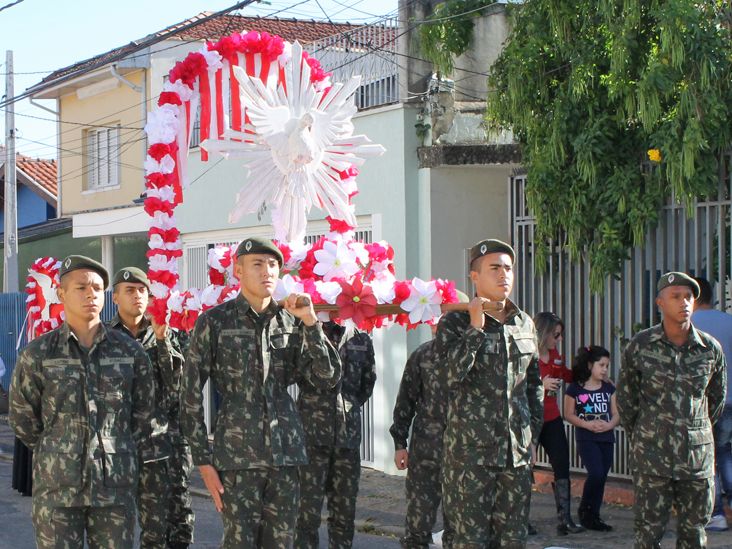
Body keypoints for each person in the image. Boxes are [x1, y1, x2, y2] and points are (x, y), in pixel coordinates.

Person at [180, 237, 342, 548]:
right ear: (237, 270)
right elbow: (189, 396)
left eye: (273, 265)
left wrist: (310, 323)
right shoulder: (214, 322)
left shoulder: (290, 321)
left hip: (286, 456)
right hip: (237, 458)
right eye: (257, 264)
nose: (267, 271)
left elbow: (326, 378)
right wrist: (203, 461)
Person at [9, 255, 155, 548]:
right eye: (81, 288)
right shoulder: (39, 353)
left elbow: (143, 414)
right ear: (61, 294)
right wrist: (59, 448)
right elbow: (22, 418)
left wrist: (119, 451)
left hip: (115, 489)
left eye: (98, 288)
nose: (91, 294)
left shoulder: (129, 351)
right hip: (58, 491)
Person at [436, 239, 543, 548]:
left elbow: (533, 385)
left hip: (515, 457)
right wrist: (475, 329)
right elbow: (447, 378)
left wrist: (530, 435)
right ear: (474, 277)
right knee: (470, 540)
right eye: (494, 268)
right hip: (470, 457)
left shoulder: (524, 323)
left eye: (508, 268)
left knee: (512, 540)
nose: (503, 275)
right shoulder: (454, 323)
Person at [618, 272, 727, 548]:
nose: (684, 303)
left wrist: (694, 431)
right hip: (653, 458)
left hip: (695, 459)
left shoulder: (710, 349)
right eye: (676, 296)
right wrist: (646, 434)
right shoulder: (641, 346)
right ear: (660, 303)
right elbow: (627, 400)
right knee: (648, 535)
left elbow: (714, 401)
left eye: (689, 297)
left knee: (694, 535)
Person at [108, 267, 194, 548]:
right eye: (130, 290)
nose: (137, 296)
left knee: (173, 524)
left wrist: (161, 340)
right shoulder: (104, 337)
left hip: (164, 443)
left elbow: (175, 386)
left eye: (142, 290)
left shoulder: (169, 332)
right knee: (113, 526)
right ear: (116, 297)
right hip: (118, 444)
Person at [294, 322, 376, 548]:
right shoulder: (306, 334)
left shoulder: (360, 339)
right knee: (306, 513)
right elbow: (296, 373)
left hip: (346, 440)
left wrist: (347, 406)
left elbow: (368, 382)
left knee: (344, 513)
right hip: (311, 436)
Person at [390, 325, 454, 548]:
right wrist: (400, 443)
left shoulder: (475, 356)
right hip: (425, 452)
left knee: (459, 529)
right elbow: (405, 400)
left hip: (463, 454)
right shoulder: (422, 354)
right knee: (418, 525)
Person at [532, 312, 583, 535]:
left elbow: (565, 374)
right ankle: (518, 519)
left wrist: (588, 374)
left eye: (560, 335)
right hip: (531, 419)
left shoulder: (554, 354)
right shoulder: (528, 356)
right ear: (544, 333)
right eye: (556, 334)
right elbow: (514, 385)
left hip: (552, 417)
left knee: (562, 464)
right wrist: (541, 385)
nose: (558, 339)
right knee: (524, 470)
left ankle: (565, 519)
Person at [692, 276, 732, 532]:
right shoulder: (728, 321)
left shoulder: (686, 325)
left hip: (704, 402)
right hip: (731, 398)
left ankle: (716, 513)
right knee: (727, 452)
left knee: (708, 458)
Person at [564, 345, 618, 531]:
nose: (604, 369)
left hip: (607, 437)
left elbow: (616, 413)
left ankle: (594, 515)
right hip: (586, 438)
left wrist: (609, 425)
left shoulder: (609, 387)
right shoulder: (575, 389)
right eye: (601, 365)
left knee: (602, 476)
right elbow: (568, 414)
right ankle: (585, 510)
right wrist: (587, 424)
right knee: (595, 473)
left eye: (606, 366)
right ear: (589, 365)